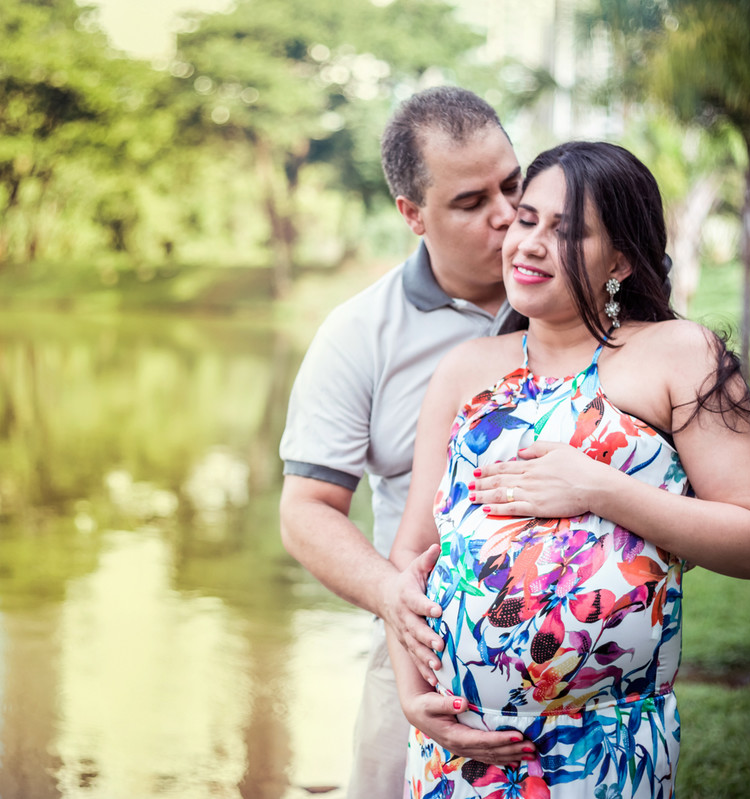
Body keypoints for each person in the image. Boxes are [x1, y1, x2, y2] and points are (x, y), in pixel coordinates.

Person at [385, 141, 750, 798]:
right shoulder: (466, 369)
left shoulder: (679, 354)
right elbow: (412, 555)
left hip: (601, 752)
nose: (530, 243)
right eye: (527, 219)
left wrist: (596, 486)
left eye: (566, 231)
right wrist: (411, 690)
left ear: (620, 258)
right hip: (455, 748)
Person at [278, 86, 532, 798]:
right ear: (412, 215)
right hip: (419, 663)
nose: (507, 215)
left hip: (579, 672)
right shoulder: (358, 334)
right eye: (471, 201)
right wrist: (393, 595)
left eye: (513, 184)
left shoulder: (585, 300)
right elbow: (306, 510)